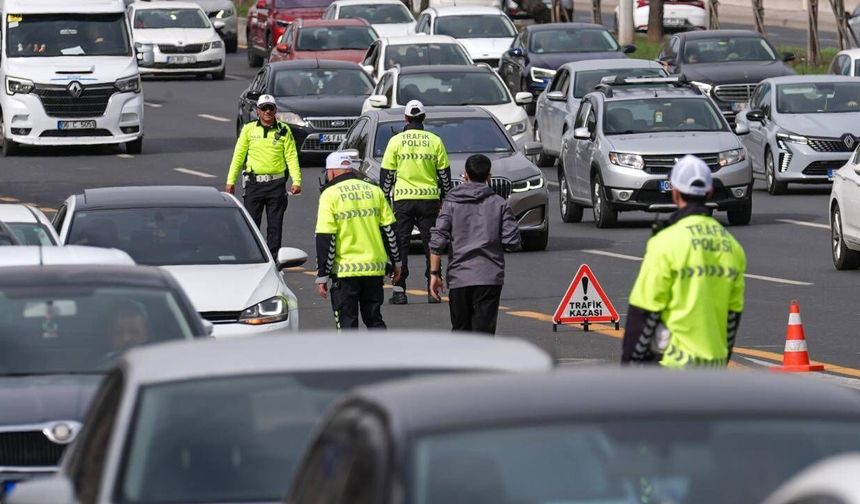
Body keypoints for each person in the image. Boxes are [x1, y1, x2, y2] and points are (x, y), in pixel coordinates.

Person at [622, 155, 746, 368]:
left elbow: (644, 312)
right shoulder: (732, 246)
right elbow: (732, 317)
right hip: (713, 371)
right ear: (709, 192)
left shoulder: (666, 242)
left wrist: (630, 370)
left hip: (673, 371)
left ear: (675, 193)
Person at [428, 154, 520, 335]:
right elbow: (512, 241)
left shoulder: (451, 203)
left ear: (465, 175)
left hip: (459, 277)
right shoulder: (500, 204)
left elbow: (438, 239)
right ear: (489, 177)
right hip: (489, 276)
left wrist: (434, 274)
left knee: (461, 331)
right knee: (484, 334)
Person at [315, 151, 402, 330]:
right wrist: (397, 263)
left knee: (347, 326)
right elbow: (390, 232)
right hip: (374, 270)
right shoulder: (374, 190)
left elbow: (326, 237)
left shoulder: (330, 195)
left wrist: (323, 274)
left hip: (345, 272)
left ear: (331, 172)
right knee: (375, 320)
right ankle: (382, 357)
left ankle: (353, 358)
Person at [380, 99, 452, 305]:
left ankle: (399, 290)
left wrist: (385, 200)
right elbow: (444, 176)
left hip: (403, 201)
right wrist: (446, 200)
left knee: (400, 245)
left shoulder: (396, 141)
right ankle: (433, 289)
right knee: (431, 245)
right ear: (423, 118)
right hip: (429, 201)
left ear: (406, 118)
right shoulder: (435, 140)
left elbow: (387, 176)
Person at [226, 94, 301, 258]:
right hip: (254, 184)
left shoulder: (283, 130)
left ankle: (274, 261)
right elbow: (239, 156)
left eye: (271, 108)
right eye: (264, 108)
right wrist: (231, 181)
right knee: (252, 224)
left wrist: (297, 181)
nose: (267, 111)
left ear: (275, 110)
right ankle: (252, 257)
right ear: (258, 111)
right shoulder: (249, 129)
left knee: (275, 226)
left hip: (276, 184)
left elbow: (291, 156)